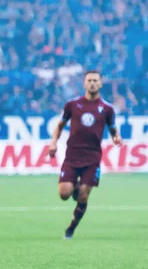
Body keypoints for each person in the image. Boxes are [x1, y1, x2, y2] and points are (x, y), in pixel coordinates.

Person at [48, 70, 121, 239]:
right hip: (72, 156)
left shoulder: (107, 109)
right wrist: (53, 143)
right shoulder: (72, 105)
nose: (92, 83)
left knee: (83, 195)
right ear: (84, 83)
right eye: (89, 80)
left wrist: (116, 137)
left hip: (92, 158)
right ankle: (76, 184)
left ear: (101, 84)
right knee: (64, 194)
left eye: (96, 80)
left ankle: (72, 227)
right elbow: (59, 125)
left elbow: (112, 128)